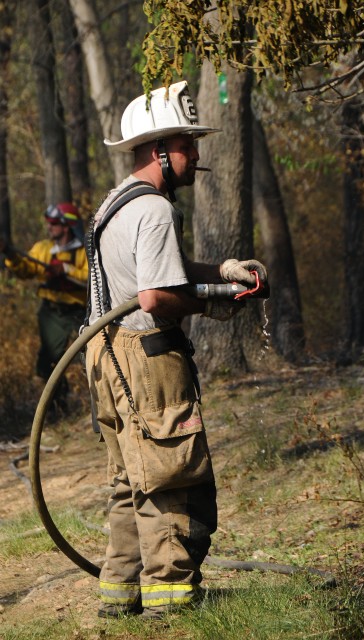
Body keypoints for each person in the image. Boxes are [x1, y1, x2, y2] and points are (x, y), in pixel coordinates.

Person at [84, 80, 268, 620]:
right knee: (172, 475)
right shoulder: (157, 211)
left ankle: (120, 595)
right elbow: (155, 293)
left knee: (130, 481)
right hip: (145, 356)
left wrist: (222, 273)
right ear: (158, 149)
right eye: (188, 143)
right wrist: (214, 302)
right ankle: (172, 601)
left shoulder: (116, 204)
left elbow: (162, 272)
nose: (197, 153)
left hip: (104, 354)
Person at [1, 203, 88, 414]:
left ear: (66, 226)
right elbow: (26, 270)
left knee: (91, 357)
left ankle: (96, 403)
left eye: (53, 223)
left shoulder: (85, 252)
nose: (49, 227)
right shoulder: (42, 249)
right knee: (49, 363)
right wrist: (10, 255)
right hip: (51, 315)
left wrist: (66, 269)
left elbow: (90, 278)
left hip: (79, 313)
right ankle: (58, 407)